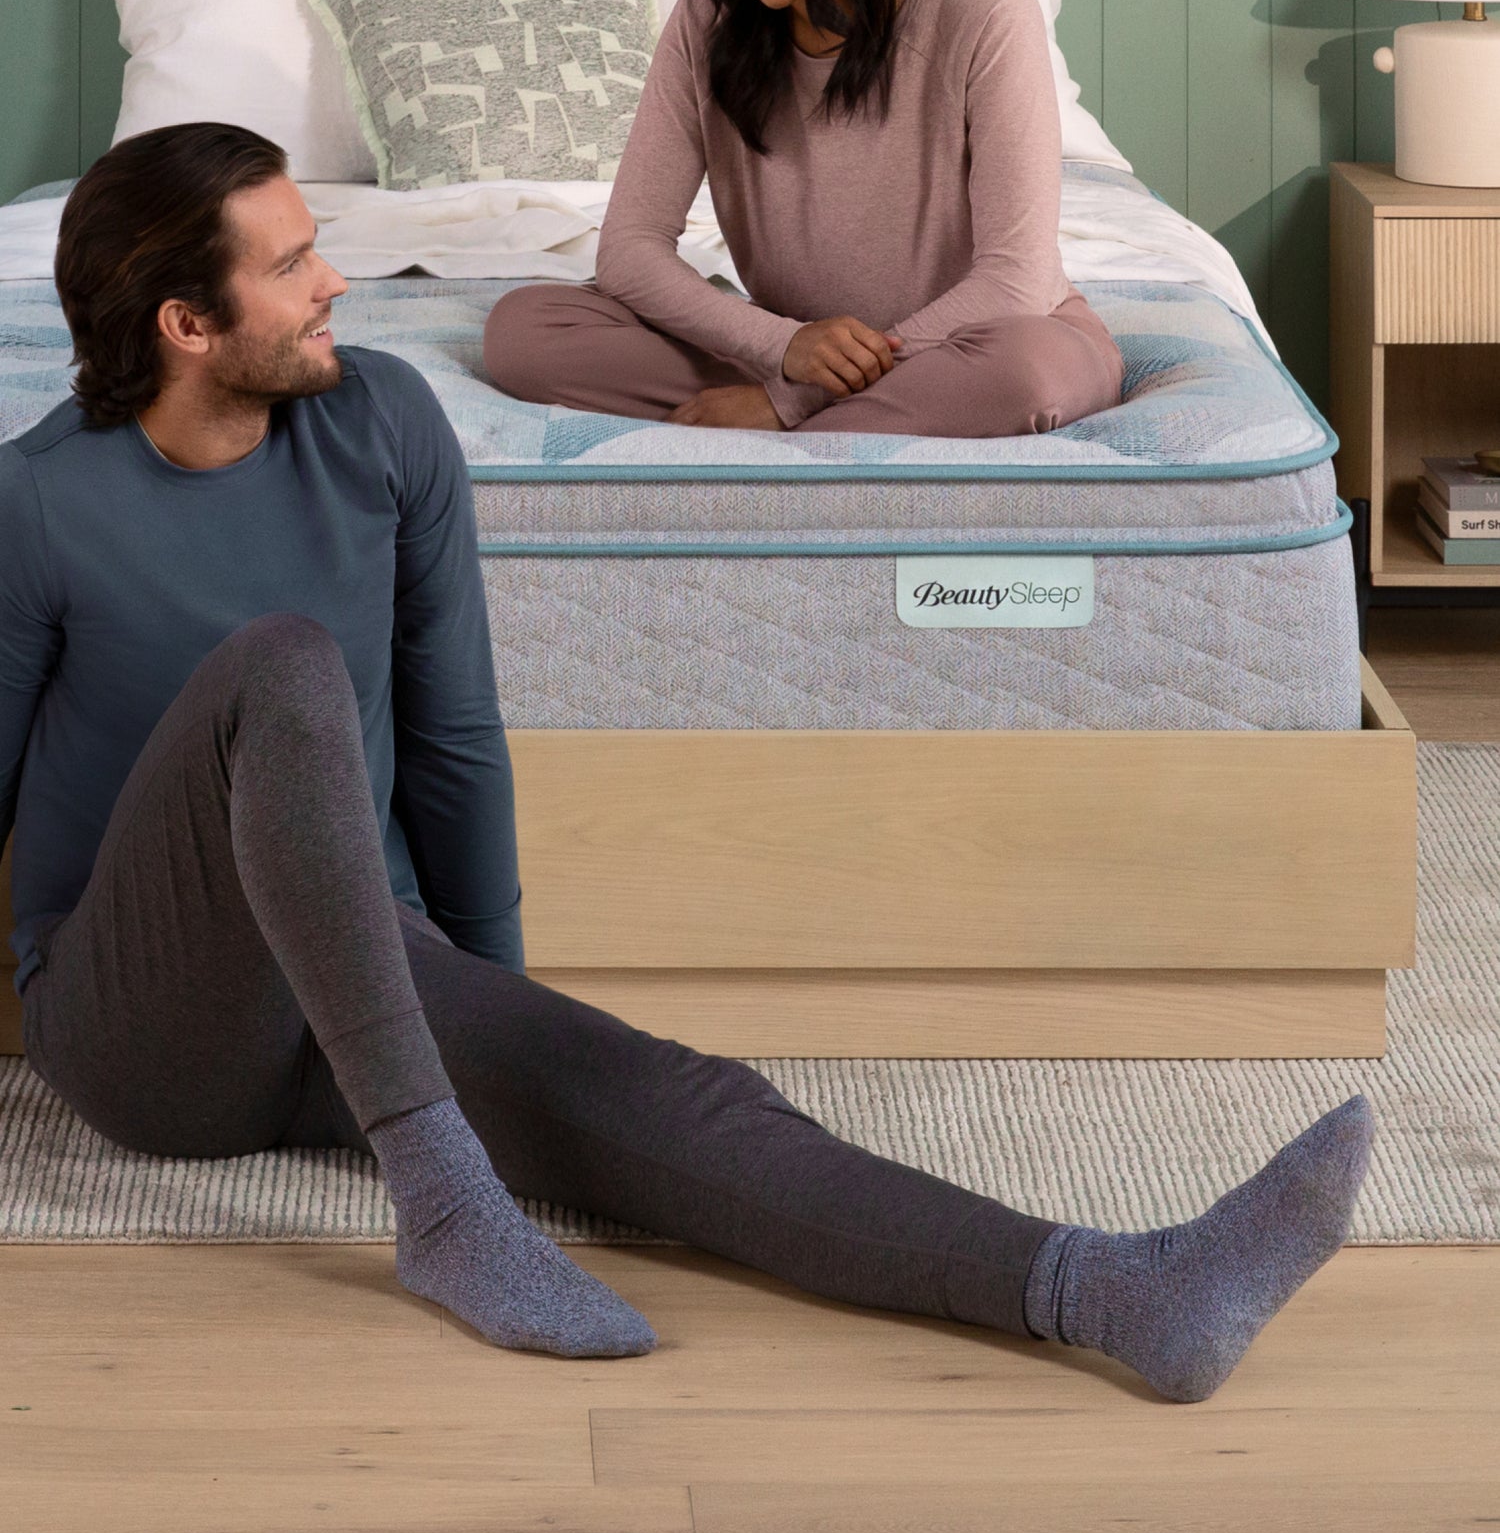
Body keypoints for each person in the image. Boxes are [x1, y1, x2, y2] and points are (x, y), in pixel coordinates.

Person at [1, 121, 1372, 1397]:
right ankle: (445, 1198)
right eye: (293, 263)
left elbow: (455, 735)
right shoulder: (41, 504)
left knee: (664, 1093)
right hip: (147, 1029)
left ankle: (1118, 1291)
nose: (337, 280)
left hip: (359, 968)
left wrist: (503, 1002)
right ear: (187, 323)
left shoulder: (385, 423)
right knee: (282, 668)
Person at [483, 0, 1126, 437]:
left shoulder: (985, 6)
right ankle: (841, 416)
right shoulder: (709, 18)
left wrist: (790, 402)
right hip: (792, 354)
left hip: (969, 346)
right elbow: (631, 251)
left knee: (1030, 372)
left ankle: (783, 420)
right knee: (525, 330)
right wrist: (783, 349)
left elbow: (1015, 280)